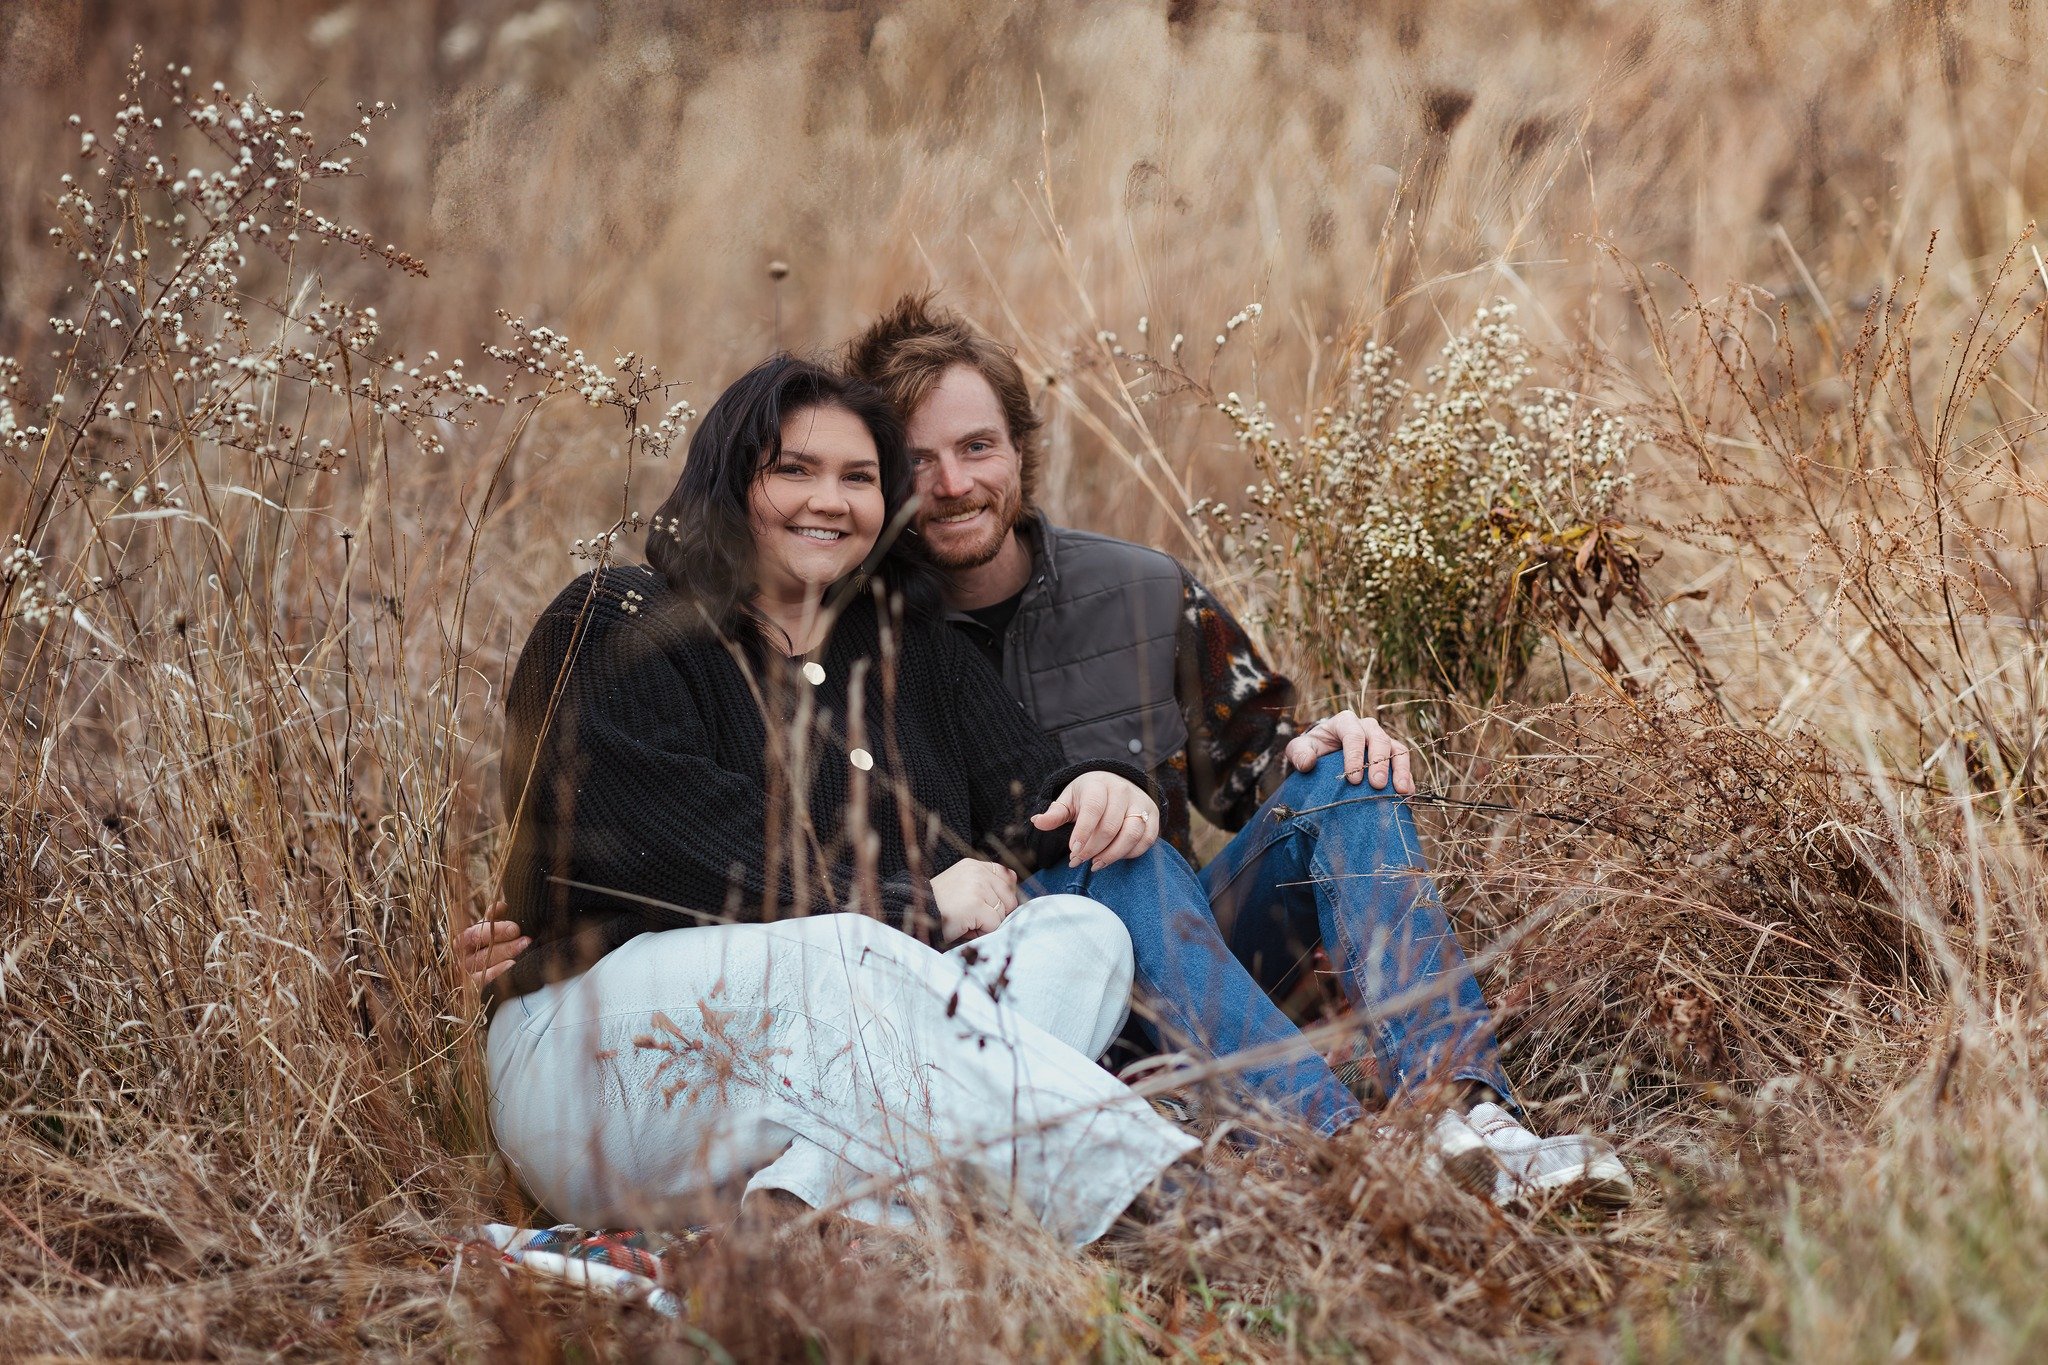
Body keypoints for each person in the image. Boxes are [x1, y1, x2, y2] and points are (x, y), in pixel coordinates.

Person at [472, 302, 1631, 1207]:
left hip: (1136, 980)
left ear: (1018, 451)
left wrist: (1278, 756)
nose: (948, 484)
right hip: (928, 1002)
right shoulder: (713, 623)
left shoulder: (1104, 600)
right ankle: (1337, 1155)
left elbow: (1187, 777)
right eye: (904, 463)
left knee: (1304, 792)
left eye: (972, 449)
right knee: (1094, 882)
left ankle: (1463, 1118)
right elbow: (653, 835)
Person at [485, 355, 1198, 1244]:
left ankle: (814, 1222)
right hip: (604, 1059)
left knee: (1080, 938)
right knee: (847, 951)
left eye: (858, 477)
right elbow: (682, 851)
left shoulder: (904, 641)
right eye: (794, 469)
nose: (830, 500)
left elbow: (1027, 793)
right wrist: (917, 899)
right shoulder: (615, 618)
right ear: (730, 478)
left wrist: (1093, 784)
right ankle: (1168, 1198)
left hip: (830, 1079)